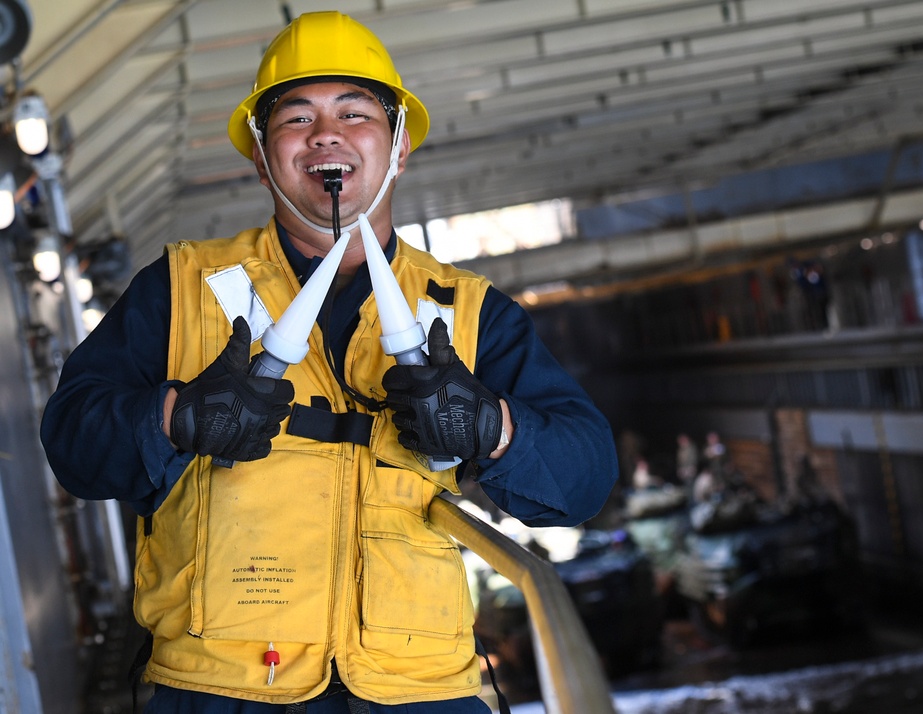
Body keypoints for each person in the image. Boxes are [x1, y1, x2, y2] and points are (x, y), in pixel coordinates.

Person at [39, 11, 616, 714]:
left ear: (399, 147)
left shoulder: (471, 312)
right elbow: (71, 439)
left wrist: (490, 427)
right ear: (260, 155)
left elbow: (586, 477)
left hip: (419, 692)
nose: (326, 134)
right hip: (222, 689)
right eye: (296, 117)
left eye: (354, 111)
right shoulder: (180, 287)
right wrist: (175, 415)